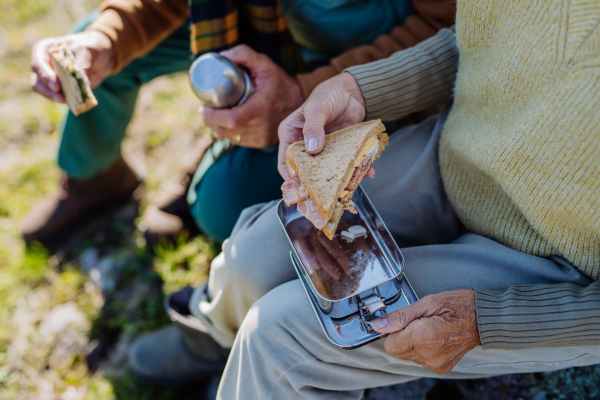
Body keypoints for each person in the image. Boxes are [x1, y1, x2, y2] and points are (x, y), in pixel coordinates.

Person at [129, 0, 600, 397]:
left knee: (280, 336)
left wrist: (492, 322)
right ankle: (212, 335)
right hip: (458, 151)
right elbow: (481, 38)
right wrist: (360, 90)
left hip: (559, 262)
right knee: (256, 252)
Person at [22, 0, 455, 245]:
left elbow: (448, 28)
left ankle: (210, 166)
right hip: (262, 22)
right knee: (99, 46)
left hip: (364, 74)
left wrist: (304, 91)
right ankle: (93, 180)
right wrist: (103, 40)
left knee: (223, 204)